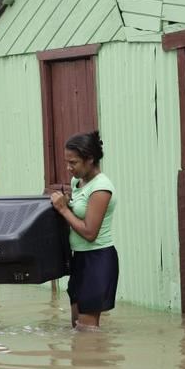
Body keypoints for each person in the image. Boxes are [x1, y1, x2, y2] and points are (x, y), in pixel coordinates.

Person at [50, 131, 118, 331]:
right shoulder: (77, 182)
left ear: (90, 160)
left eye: (74, 162)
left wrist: (63, 209)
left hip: (98, 260)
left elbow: (90, 233)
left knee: (88, 331)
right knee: (77, 327)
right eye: (67, 162)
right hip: (80, 259)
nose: (69, 168)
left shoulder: (101, 188)